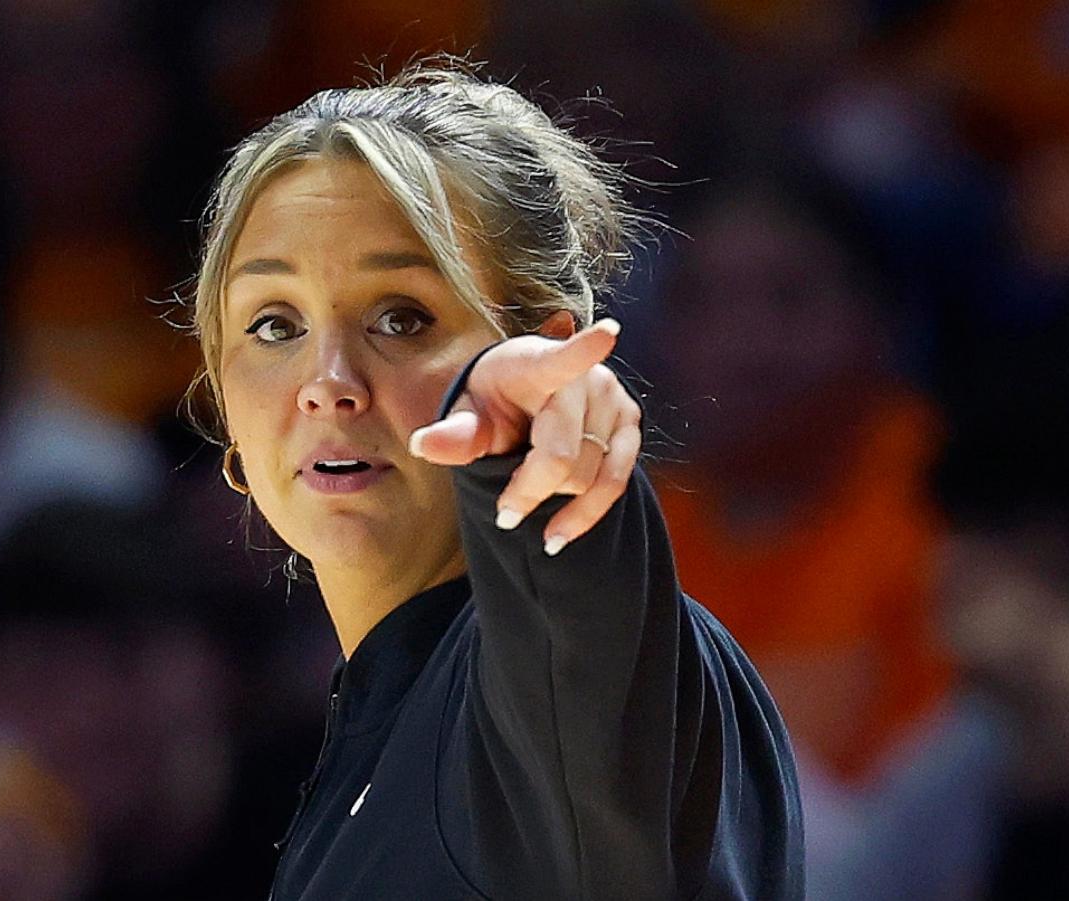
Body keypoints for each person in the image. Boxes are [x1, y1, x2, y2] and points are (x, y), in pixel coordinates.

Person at [187, 62, 803, 900]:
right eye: (274, 324)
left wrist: (519, 428)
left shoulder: (573, 677)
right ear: (221, 392)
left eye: (402, 317)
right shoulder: (383, 715)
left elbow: (571, 631)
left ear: (548, 341)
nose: (327, 378)